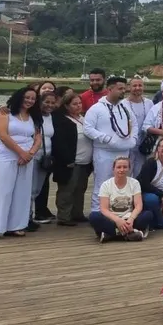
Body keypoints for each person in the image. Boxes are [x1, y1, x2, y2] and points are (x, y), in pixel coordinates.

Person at [0, 87, 42, 240]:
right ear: (19, 97)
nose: (30, 101)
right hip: (7, 155)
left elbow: (38, 138)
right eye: (27, 97)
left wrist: (30, 154)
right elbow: (3, 135)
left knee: (22, 192)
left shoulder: (34, 116)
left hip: (27, 157)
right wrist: (20, 152)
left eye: (33, 98)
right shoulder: (6, 113)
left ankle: (16, 226)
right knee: (3, 191)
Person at [85, 76, 137, 213]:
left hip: (124, 152)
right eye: (120, 89)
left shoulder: (125, 108)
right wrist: (106, 138)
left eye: (124, 89)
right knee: (102, 184)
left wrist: (134, 139)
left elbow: (134, 124)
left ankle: (119, 211)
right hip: (104, 153)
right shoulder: (96, 108)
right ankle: (97, 212)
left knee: (122, 183)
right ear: (109, 89)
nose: (123, 92)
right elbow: (88, 128)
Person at [51, 92, 92, 226]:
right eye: (74, 104)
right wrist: (67, 159)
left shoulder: (84, 118)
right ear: (67, 106)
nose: (78, 106)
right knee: (67, 190)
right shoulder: (62, 121)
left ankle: (77, 214)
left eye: (80, 103)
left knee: (80, 189)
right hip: (71, 162)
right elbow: (60, 142)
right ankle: (64, 216)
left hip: (85, 161)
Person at [89, 157, 153, 243]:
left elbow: (138, 205)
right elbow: (104, 209)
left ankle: (112, 234)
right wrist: (118, 220)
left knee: (148, 215)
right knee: (94, 216)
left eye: (125, 167)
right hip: (112, 220)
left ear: (129, 169)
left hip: (129, 219)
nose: (122, 170)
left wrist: (131, 219)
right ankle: (130, 233)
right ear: (113, 169)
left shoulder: (135, 183)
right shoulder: (106, 185)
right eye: (119, 167)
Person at [136, 136, 163, 230]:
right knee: (152, 199)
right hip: (148, 194)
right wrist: (161, 194)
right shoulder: (150, 162)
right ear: (158, 148)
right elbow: (144, 184)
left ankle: (153, 221)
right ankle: (149, 218)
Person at [29, 91, 57, 228]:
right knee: (30, 188)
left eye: (52, 102)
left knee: (37, 189)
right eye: (47, 102)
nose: (49, 105)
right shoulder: (33, 116)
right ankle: (26, 218)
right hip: (33, 156)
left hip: (45, 158)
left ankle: (29, 216)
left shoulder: (51, 117)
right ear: (40, 102)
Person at [121, 77, 154, 178]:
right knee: (126, 171)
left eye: (140, 85)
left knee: (140, 172)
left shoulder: (149, 103)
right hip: (128, 143)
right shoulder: (122, 104)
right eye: (134, 85)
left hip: (144, 144)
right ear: (129, 87)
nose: (137, 88)